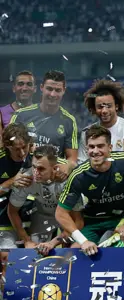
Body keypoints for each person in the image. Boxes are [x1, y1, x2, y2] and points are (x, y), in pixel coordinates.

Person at [56, 125, 124, 255]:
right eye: (91, 147)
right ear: (86, 149)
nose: (95, 151)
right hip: (93, 221)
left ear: (110, 147)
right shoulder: (79, 175)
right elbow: (60, 213)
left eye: (100, 146)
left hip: (122, 217)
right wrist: (83, 241)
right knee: (74, 252)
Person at [8, 145, 81, 255]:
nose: (36, 173)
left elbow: (78, 222)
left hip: (67, 216)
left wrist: (53, 242)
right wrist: (27, 241)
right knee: (34, 251)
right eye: (34, 167)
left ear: (55, 167)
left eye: (41, 169)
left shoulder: (68, 180)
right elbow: (12, 211)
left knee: (72, 250)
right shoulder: (26, 179)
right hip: (42, 214)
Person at [9, 70, 78, 177]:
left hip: (52, 180)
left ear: (64, 90)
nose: (52, 94)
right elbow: (7, 147)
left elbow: (72, 160)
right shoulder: (20, 115)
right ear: (41, 88)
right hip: (23, 177)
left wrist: (66, 168)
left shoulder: (69, 120)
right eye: (49, 89)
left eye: (58, 90)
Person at [0, 124, 34, 252]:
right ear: (8, 147)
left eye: (24, 147)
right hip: (4, 222)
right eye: (16, 149)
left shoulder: (37, 157)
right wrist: (11, 182)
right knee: (8, 263)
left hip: (33, 221)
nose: (21, 153)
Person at [79, 79, 124, 162]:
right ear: (94, 109)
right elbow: (82, 162)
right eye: (100, 107)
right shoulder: (87, 132)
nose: (104, 111)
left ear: (116, 106)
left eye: (108, 106)